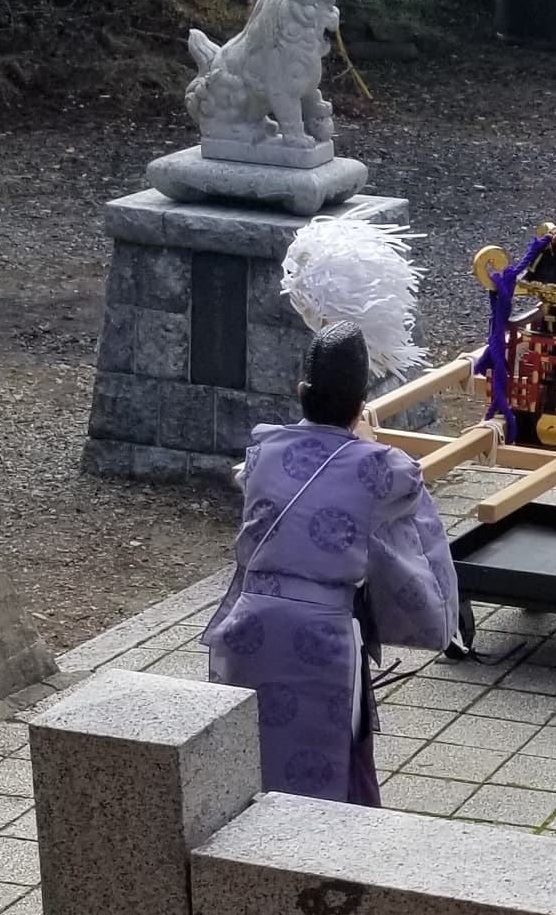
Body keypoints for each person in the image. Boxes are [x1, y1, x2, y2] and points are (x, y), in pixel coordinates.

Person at [203, 322, 460, 805]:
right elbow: (412, 525)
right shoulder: (382, 466)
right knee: (326, 776)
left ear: (300, 392)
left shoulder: (263, 452)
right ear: (362, 403)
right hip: (321, 637)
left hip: (248, 627)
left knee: (248, 759)